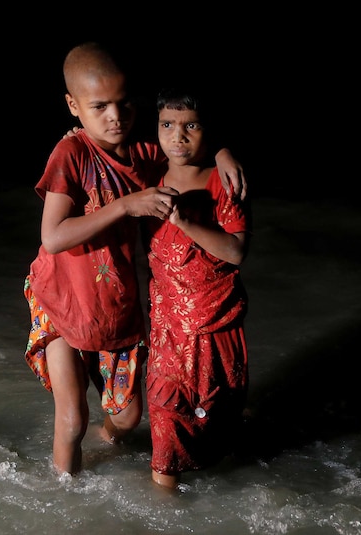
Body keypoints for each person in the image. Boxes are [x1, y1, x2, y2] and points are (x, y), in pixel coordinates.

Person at [23, 42, 247, 477]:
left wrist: (222, 152)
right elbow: (51, 237)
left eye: (124, 104)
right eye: (99, 106)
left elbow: (188, 144)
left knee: (126, 418)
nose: (115, 116)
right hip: (61, 302)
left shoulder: (145, 152)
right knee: (72, 421)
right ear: (73, 106)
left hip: (113, 310)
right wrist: (127, 206)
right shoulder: (72, 154)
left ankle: (106, 449)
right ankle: (62, 505)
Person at [143, 86, 251, 489]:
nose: (178, 136)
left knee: (215, 416)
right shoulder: (149, 172)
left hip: (216, 322)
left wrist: (185, 222)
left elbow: (237, 252)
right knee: (165, 417)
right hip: (167, 327)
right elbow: (103, 152)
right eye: (167, 125)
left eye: (191, 126)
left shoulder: (224, 181)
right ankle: (162, 507)